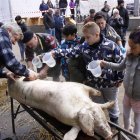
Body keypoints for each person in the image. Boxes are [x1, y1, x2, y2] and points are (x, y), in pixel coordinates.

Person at [50, 22, 124, 124]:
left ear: (97, 34)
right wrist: (56, 53)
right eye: (84, 37)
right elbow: (71, 51)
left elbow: (120, 64)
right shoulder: (85, 46)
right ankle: (103, 125)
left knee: (112, 105)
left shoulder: (111, 46)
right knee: (98, 106)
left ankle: (115, 124)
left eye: (88, 37)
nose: (85, 40)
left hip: (110, 84)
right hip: (93, 83)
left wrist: (120, 79)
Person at [100, 27, 140, 137]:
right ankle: (125, 132)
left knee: (137, 120)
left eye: (134, 47)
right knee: (125, 115)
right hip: (127, 94)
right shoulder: (129, 55)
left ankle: (135, 136)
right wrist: (105, 63)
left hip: (138, 98)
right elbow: (119, 66)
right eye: (129, 46)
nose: (130, 49)